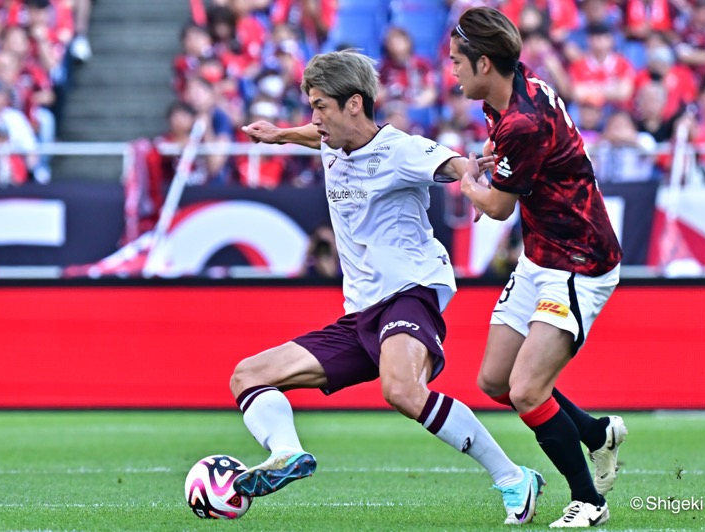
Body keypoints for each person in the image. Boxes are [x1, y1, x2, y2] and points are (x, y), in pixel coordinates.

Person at [231, 49, 545, 526]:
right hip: (360, 313)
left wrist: (474, 182)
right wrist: (279, 137)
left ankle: (512, 478)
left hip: (410, 292)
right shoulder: (330, 140)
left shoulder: (400, 150)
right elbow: (312, 136)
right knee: (247, 376)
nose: (313, 119)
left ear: (354, 104)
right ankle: (288, 454)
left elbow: (454, 163)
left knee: (400, 390)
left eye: (320, 107)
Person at [450, 7, 628, 528]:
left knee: (527, 389)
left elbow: (499, 207)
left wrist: (467, 181)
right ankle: (596, 434)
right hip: (541, 255)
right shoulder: (514, 89)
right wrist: (492, 156)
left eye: (458, 62)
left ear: (485, 63)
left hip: (579, 262)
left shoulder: (522, 120)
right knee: (495, 380)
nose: (452, 71)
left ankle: (589, 500)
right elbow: (515, 149)